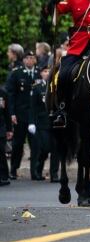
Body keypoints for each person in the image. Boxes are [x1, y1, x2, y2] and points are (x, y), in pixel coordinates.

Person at [6, 50, 40, 180]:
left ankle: (35, 171)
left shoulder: (38, 73)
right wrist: (12, 113)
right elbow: (11, 95)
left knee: (35, 144)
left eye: (32, 58)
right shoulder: (16, 73)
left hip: (35, 116)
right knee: (18, 144)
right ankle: (13, 169)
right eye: (28, 58)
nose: (30, 60)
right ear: (24, 60)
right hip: (21, 114)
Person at [0, 83, 11, 185]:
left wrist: (9, 129)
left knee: (1, 152)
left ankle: (4, 176)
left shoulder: (2, 93)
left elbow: (7, 112)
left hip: (1, 127)